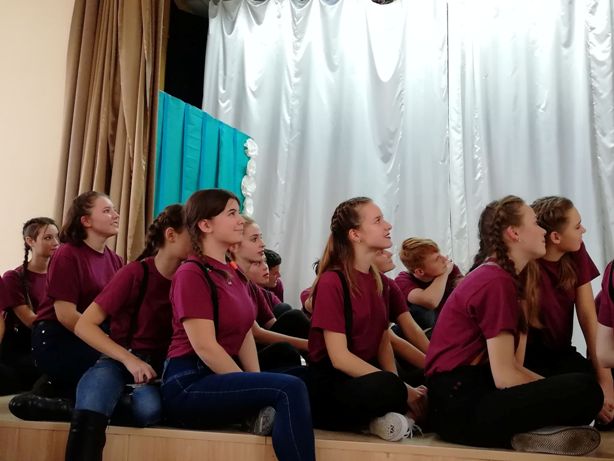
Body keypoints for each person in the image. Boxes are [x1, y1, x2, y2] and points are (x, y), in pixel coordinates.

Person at [425, 196, 602, 455]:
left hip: (468, 393)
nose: (543, 231)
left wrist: (552, 390)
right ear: (514, 233)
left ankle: (528, 435)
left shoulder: (508, 278)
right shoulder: (495, 280)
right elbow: (505, 376)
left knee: (580, 388)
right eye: (535, 223)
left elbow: (514, 366)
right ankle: (524, 433)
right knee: (584, 390)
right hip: (457, 402)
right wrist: (554, 391)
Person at [161, 189, 315, 461]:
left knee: (308, 378)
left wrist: (254, 382)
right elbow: (206, 347)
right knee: (289, 388)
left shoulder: (233, 274)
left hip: (217, 376)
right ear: (205, 225)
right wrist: (253, 389)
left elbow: (244, 333)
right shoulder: (191, 273)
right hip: (188, 382)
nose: (240, 220)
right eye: (232, 213)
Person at [64, 205, 191, 461]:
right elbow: (84, 325)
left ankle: (67, 406)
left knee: (146, 410)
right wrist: (129, 359)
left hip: (161, 368)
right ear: (171, 235)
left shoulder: (191, 279)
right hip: (120, 358)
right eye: (194, 234)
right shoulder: (136, 272)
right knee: (94, 397)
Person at [308, 197, 427, 442]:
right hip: (334, 384)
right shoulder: (332, 281)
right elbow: (340, 358)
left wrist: (400, 383)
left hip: (369, 376)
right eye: (378, 220)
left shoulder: (381, 282)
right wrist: (400, 389)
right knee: (390, 387)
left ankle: (390, 415)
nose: (388, 225)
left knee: (433, 383)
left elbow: (383, 341)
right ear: (355, 234)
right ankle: (385, 417)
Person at [527, 196, 614, 426]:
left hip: (561, 353)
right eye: (577, 227)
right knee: (582, 394)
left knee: (601, 392)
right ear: (556, 237)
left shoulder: (576, 250)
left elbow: (587, 315)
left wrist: (606, 381)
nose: (583, 230)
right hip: (530, 358)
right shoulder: (527, 262)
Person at [31, 192, 123, 393]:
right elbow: (66, 315)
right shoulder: (67, 254)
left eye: (115, 210)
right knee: (114, 368)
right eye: (107, 211)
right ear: (86, 221)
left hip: (94, 334)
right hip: (59, 336)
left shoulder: (116, 260)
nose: (116, 215)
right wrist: (108, 345)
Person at [1, 218, 59, 395]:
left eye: (57, 237)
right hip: (26, 348)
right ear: (30, 241)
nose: (56, 243)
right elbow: (30, 321)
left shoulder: (62, 276)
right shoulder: (14, 277)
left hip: (56, 342)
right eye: (48, 238)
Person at [395, 238, 463, 332]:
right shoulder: (402, 280)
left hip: (447, 327)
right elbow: (430, 301)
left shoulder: (449, 269)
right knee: (424, 313)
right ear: (420, 271)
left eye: (440, 254)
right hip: (418, 332)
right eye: (437, 259)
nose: (444, 259)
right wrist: (444, 274)